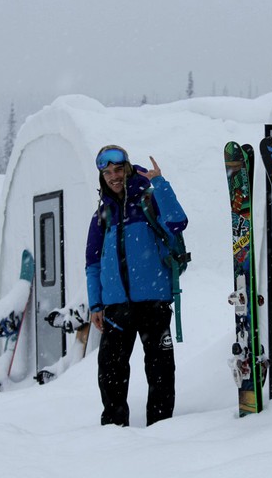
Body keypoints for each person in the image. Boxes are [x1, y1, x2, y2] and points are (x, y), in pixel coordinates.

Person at [85, 145, 188, 426]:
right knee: (110, 370)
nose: (113, 176)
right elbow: (92, 265)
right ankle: (114, 428)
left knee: (160, 370)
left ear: (127, 168)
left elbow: (178, 222)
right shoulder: (102, 216)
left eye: (118, 170)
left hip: (154, 301)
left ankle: (162, 426)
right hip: (116, 307)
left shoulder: (148, 199)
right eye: (107, 172)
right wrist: (96, 304)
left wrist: (160, 182)